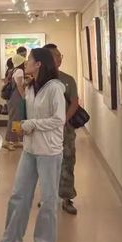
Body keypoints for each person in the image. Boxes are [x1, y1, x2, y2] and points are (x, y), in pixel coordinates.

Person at [0, 48, 66, 242]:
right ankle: (11, 240)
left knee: (48, 199)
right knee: (19, 195)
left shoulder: (55, 88)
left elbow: (59, 119)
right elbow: (27, 112)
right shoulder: (31, 86)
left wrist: (32, 124)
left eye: (30, 60)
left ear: (39, 64)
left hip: (49, 151)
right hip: (30, 149)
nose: (26, 63)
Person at [44, 43, 81, 215]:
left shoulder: (68, 79)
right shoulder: (40, 80)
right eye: (56, 56)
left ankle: (66, 197)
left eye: (60, 55)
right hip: (45, 129)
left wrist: (63, 120)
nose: (59, 58)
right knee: (46, 163)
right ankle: (48, 197)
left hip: (65, 129)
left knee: (67, 161)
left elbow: (74, 102)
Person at [4, 54, 27, 150]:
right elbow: (20, 86)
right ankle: (9, 141)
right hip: (17, 98)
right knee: (14, 119)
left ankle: (15, 140)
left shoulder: (13, 70)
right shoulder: (20, 71)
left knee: (16, 119)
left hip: (12, 98)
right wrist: (24, 97)